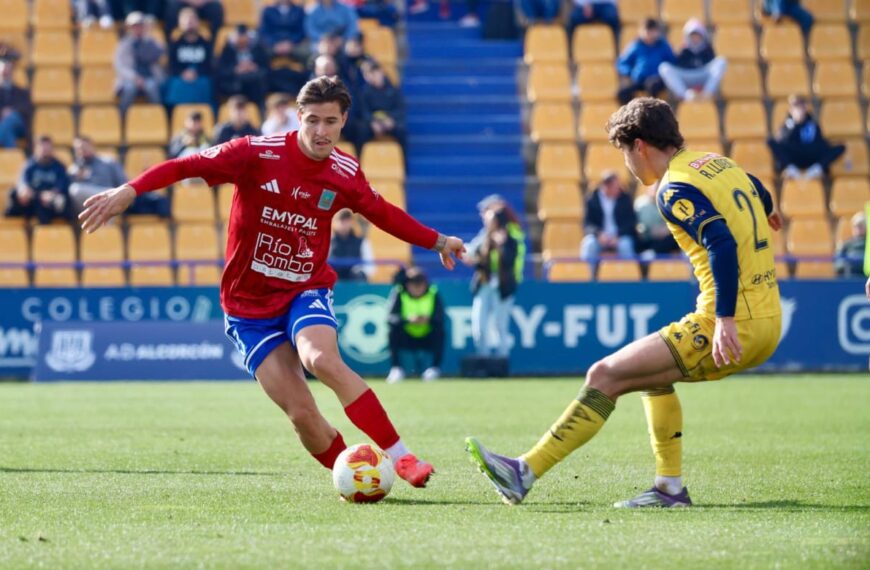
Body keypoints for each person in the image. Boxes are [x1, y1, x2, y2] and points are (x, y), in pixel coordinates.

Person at [78, 76, 465, 487]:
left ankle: (402, 459)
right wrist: (131, 189)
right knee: (303, 416)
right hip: (247, 309)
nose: (321, 131)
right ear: (298, 117)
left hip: (304, 288)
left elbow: (382, 212)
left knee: (321, 360)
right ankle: (358, 477)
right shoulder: (255, 152)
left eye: (330, 121)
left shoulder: (345, 172)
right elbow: (185, 165)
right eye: (312, 120)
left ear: (343, 120)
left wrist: (438, 241)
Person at [466, 97, 783, 508]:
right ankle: (669, 489)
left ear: (639, 146)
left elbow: (720, 242)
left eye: (625, 153)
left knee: (605, 374)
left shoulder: (673, 188)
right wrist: (769, 210)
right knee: (648, 375)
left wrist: (724, 318)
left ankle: (523, 472)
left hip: (730, 324)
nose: (629, 166)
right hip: (768, 319)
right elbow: (755, 187)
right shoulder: (717, 163)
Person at [469, 206, 519, 359]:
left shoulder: (510, 241)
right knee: (479, 325)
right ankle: (482, 358)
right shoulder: (483, 238)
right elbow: (474, 258)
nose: (487, 223)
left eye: (491, 220)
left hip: (502, 288)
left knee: (500, 325)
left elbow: (509, 262)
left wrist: (501, 245)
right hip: (484, 285)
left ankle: (502, 359)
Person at [386, 267, 446, 384]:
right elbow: (391, 318)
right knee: (392, 332)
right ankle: (396, 369)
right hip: (406, 337)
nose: (417, 287)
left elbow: (441, 318)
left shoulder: (433, 293)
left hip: (427, 337)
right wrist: (408, 320)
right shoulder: (399, 292)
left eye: (420, 283)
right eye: (414, 284)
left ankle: (434, 369)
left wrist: (428, 320)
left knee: (440, 331)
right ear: (407, 284)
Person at [767, 94, 845, 180]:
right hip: (794, 156)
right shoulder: (786, 126)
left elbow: (819, 143)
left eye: (802, 106)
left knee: (839, 147)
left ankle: (816, 169)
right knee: (771, 142)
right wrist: (796, 124)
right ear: (791, 110)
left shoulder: (813, 125)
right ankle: (791, 168)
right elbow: (782, 142)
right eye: (796, 107)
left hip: (811, 155)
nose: (799, 110)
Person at [6, 136, 71, 224]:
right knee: (13, 193)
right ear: (36, 149)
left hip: (49, 201)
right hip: (33, 199)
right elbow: (23, 182)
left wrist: (52, 194)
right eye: (42, 148)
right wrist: (24, 190)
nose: (45, 151)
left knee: (58, 202)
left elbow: (62, 185)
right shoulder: (29, 165)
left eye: (47, 148)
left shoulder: (59, 166)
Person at [658, 19, 727, 102]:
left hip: (703, 75)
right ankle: (685, 95)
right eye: (692, 35)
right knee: (664, 67)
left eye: (697, 35)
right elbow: (678, 65)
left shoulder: (708, 49)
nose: (695, 38)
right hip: (687, 76)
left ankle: (707, 94)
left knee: (721, 61)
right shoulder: (683, 50)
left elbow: (712, 67)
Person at [580, 170, 637, 260]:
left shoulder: (625, 199)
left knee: (625, 245)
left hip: (619, 237)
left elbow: (630, 222)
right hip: (599, 237)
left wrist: (618, 235)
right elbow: (587, 224)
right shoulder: (592, 200)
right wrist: (599, 234)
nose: (619, 189)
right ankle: (589, 269)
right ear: (606, 186)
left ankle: (628, 269)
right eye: (616, 187)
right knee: (589, 244)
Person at [114, 11, 165, 113]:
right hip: (130, 78)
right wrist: (135, 77)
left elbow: (160, 52)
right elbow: (120, 66)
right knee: (129, 89)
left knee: (152, 88)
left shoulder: (150, 41)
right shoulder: (124, 44)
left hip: (149, 77)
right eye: (134, 26)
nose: (137, 28)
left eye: (140, 25)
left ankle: (158, 115)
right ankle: (122, 116)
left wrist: (148, 37)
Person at [616, 18, 674, 104]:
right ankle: (629, 111)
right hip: (638, 79)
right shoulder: (636, 45)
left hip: (657, 80)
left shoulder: (663, 46)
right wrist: (629, 73)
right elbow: (622, 63)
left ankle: (652, 111)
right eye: (647, 32)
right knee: (623, 92)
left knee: (653, 87)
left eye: (653, 31)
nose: (650, 35)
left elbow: (672, 62)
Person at [164, 8, 214, 107]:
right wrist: (182, 73)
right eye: (187, 21)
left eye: (192, 20)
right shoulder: (175, 44)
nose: (190, 24)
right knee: (174, 84)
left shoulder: (205, 43)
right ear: (180, 23)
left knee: (206, 84)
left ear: (198, 22)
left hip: (201, 76)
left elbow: (209, 64)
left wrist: (196, 72)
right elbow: (171, 64)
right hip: (180, 77)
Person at [357, 60, 406, 150]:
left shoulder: (393, 90)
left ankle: (403, 157)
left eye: (374, 73)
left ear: (381, 72)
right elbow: (364, 111)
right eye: (369, 74)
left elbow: (400, 109)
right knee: (361, 131)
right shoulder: (364, 92)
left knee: (401, 130)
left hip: (389, 121)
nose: (372, 77)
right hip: (373, 123)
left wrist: (391, 119)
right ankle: (359, 157)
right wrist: (372, 122)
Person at [216, 25, 270, 108]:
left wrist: (254, 67)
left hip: (254, 81)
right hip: (235, 83)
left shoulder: (258, 48)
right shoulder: (228, 49)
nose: (242, 42)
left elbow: (265, 67)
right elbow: (222, 69)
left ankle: (258, 108)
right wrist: (235, 69)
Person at [328, 208, 373, 281]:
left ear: (351, 222)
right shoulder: (328, 241)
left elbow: (370, 267)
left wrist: (360, 271)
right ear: (335, 222)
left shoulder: (362, 242)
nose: (344, 224)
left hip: (355, 282)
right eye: (341, 220)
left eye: (347, 221)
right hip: (335, 281)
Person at [634, 183, 678, 257]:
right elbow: (636, 223)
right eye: (653, 189)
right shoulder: (640, 204)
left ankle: (652, 252)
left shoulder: (667, 202)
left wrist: (665, 229)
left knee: (673, 238)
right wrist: (647, 230)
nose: (655, 192)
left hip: (663, 237)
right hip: (646, 235)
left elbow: (673, 221)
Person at [0, 58, 32, 148]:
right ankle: (12, 153)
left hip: (18, 125)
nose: (6, 74)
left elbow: (26, 108)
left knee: (12, 118)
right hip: (3, 123)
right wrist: (2, 112)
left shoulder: (22, 92)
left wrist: (11, 111)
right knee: (8, 132)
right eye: (4, 72)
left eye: (8, 71)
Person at [835, 212, 866, 278]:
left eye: (861, 226)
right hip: (849, 277)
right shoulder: (846, 244)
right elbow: (838, 265)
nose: (858, 228)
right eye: (855, 226)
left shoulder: (868, 243)